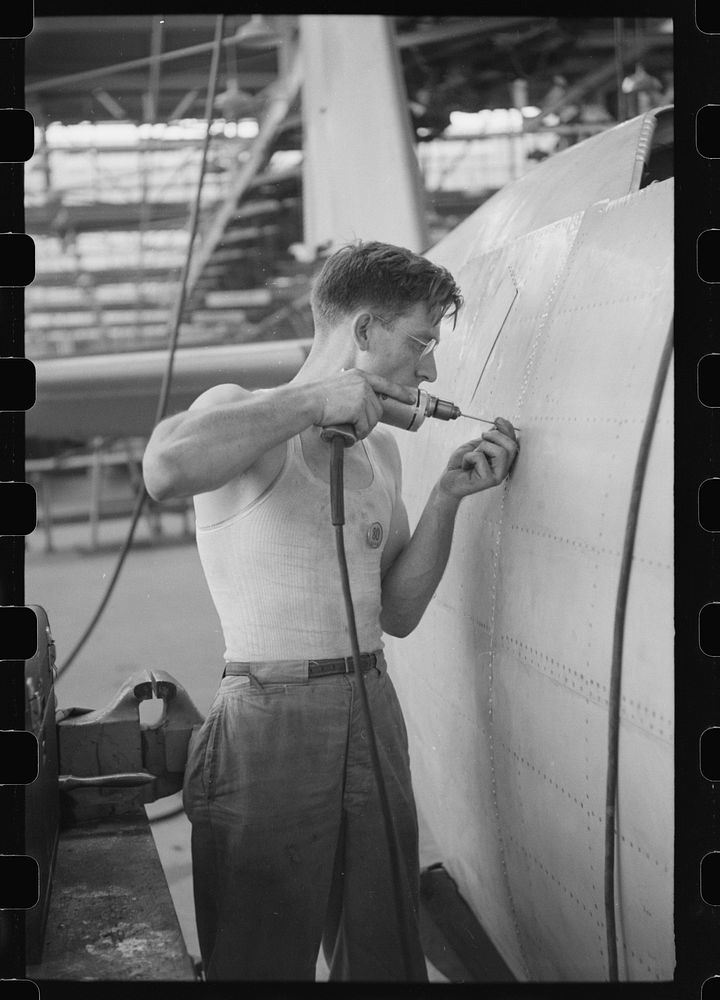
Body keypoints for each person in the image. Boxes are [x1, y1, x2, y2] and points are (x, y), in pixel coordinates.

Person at [142, 240, 519, 981]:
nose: (430, 369)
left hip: (372, 704)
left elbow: (399, 612)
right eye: (421, 342)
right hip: (268, 717)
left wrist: (448, 498)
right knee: (260, 959)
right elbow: (165, 469)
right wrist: (314, 400)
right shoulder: (241, 415)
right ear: (366, 331)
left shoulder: (382, 455)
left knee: (383, 952)